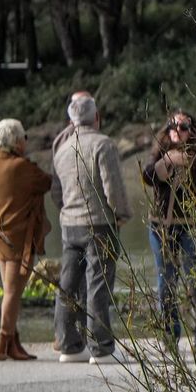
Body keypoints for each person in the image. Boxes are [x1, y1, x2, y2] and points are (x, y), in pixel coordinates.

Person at [50, 91, 131, 364]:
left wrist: (65, 210)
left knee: (68, 284)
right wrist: (120, 214)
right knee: (98, 283)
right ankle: (101, 347)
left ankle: (69, 345)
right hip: (98, 222)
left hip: (69, 224)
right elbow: (113, 187)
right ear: (96, 117)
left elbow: (56, 190)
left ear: (71, 119)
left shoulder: (61, 148)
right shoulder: (103, 144)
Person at [141, 109, 196, 352]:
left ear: (192, 131)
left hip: (192, 226)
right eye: (172, 126)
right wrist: (167, 161)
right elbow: (149, 176)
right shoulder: (158, 150)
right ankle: (170, 338)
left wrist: (182, 159)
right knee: (166, 283)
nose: (177, 131)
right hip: (161, 226)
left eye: (183, 127)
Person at [0, 118, 51, 361]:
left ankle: (14, 342)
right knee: (13, 292)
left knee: (8, 290)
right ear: (15, 141)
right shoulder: (20, 167)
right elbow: (45, 181)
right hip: (18, 237)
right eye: (24, 136)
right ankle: (3, 341)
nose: (26, 140)